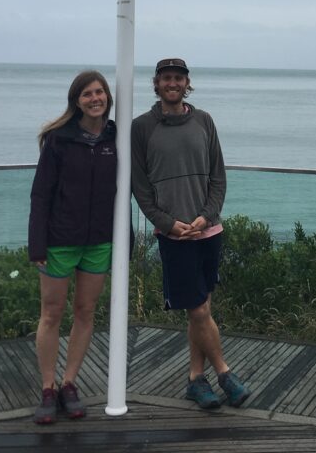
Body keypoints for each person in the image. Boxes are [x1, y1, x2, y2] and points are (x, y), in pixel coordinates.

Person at [131, 58, 251, 409]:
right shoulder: (142, 128)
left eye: (178, 78)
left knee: (201, 309)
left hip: (208, 230)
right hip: (174, 237)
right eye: (166, 78)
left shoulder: (204, 121)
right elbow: (141, 188)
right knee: (198, 310)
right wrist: (168, 223)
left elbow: (218, 177)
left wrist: (206, 216)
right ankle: (225, 373)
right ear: (156, 83)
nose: (173, 83)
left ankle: (195, 381)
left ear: (187, 83)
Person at [28, 70, 117, 425]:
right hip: (60, 241)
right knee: (51, 313)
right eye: (87, 94)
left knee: (85, 312)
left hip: (99, 241)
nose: (95, 98)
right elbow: (41, 194)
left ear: (108, 97)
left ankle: (69, 383)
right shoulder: (58, 140)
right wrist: (38, 242)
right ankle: (48, 387)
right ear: (76, 101)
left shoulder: (116, 137)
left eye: (100, 92)